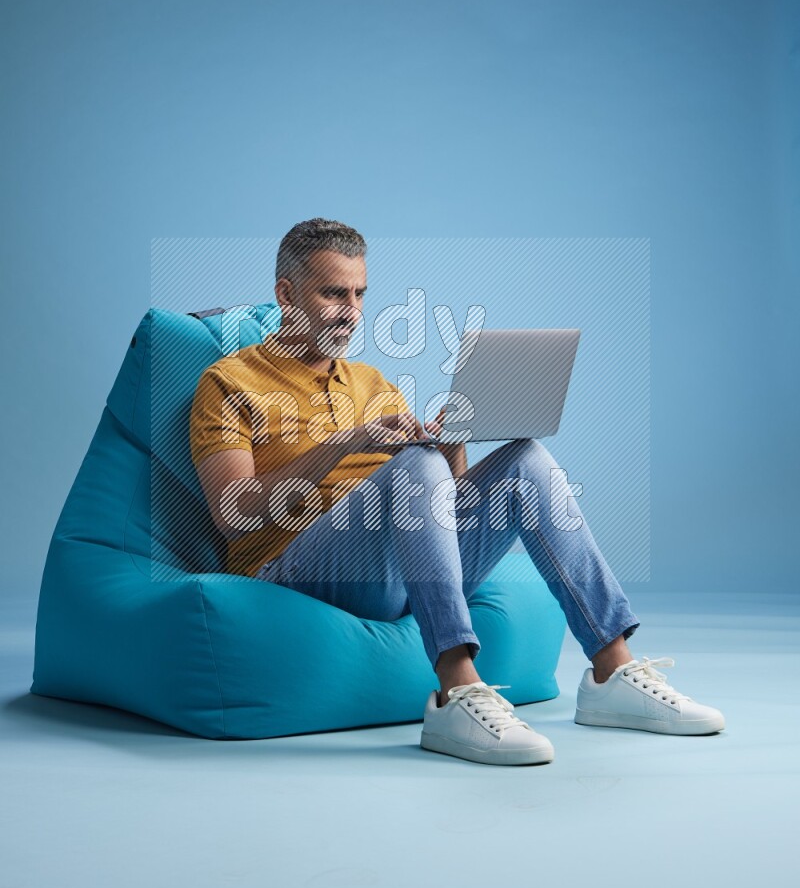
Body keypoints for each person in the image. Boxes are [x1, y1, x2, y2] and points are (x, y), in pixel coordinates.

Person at [189, 218, 725, 766]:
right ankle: (456, 691)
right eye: (333, 293)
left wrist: (452, 447)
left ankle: (613, 669)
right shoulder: (229, 381)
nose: (350, 310)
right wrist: (348, 442)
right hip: (295, 573)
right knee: (416, 466)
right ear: (286, 293)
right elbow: (234, 514)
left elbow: (438, 500)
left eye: (359, 294)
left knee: (525, 459)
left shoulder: (374, 383)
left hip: (396, 567)